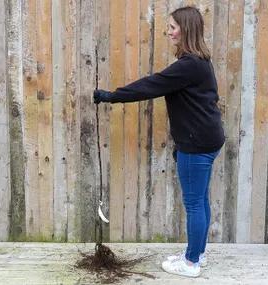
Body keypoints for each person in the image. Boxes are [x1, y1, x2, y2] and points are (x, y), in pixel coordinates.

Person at [94, 6, 225, 278]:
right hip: (208, 140)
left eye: (173, 27)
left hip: (197, 144)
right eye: (168, 26)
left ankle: (191, 264)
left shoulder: (189, 65)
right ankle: (196, 253)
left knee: (194, 203)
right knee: (200, 199)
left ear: (186, 29)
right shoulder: (201, 61)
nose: (168, 31)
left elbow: (150, 85)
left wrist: (111, 96)